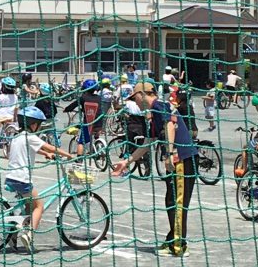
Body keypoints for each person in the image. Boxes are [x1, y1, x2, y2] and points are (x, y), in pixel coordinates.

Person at [111, 82, 199, 257]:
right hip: (178, 158)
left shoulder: (159, 106)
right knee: (170, 201)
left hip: (182, 158)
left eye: (134, 97)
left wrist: (170, 152)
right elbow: (147, 143)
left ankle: (179, 245)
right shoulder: (152, 114)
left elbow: (170, 126)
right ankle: (172, 239)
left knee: (178, 203)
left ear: (143, 94)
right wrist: (126, 162)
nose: (134, 102)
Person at [4, 106, 75, 253]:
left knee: (28, 208)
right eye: (38, 123)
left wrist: (45, 154)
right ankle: (29, 234)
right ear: (33, 124)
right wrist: (69, 155)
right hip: (22, 179)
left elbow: (36, 148)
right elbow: (50, 147)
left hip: (11, 177)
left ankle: (13, 234)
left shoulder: (18, 136)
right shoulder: (31, 136)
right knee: (39, 206)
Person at [75, 78, 103, 159]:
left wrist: (66, 109)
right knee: (96, 134)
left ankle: (79, 158)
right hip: (99, 122)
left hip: (88, 122)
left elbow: (73, 105)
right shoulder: (99, 98)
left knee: (82, 141)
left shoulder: (83, 97)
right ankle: (97, 146)